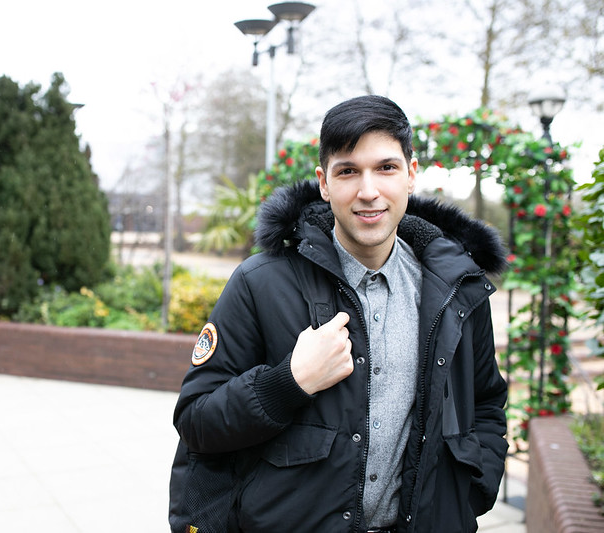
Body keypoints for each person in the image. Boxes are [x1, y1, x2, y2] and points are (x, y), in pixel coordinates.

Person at [169, 95, 509, 533]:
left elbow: (485, 403)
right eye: (348, 171)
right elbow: (196, 421)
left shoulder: (457, 287)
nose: (368, 191)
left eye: (385, 168)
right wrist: (287, 383)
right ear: (324, 182)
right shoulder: (260, 283)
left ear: (411, 173)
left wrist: (470, 491)